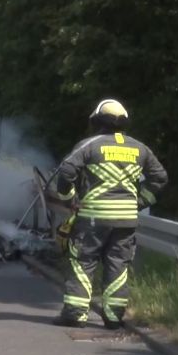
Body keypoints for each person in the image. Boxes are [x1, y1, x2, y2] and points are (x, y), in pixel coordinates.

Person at [52, 99, 168, 329]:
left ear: (97, 121)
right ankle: (114, 318)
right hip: (126, 220)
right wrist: (141, 202)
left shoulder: (89, 145)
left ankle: (75, 314)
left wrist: (69, 200)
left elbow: (66, 171)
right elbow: (160, 178)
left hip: (92, 218)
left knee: (83, 263)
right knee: (118, 266)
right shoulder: (140, 148)